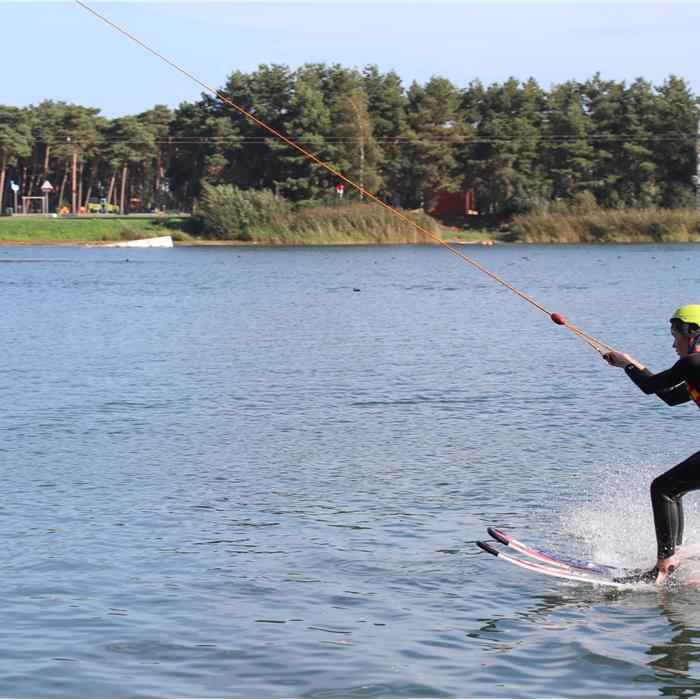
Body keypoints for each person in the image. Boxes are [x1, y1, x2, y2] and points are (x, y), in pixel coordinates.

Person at [604, 305, 700, 585]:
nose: (673, 343)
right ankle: (672, 561)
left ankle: (665, 566)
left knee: (664, 488)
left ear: (692, 332)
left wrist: (628, 364)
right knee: (670, 489)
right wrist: (634, 367)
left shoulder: (693, 363)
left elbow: (650, 387)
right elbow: (668, 396)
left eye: (675, 335)